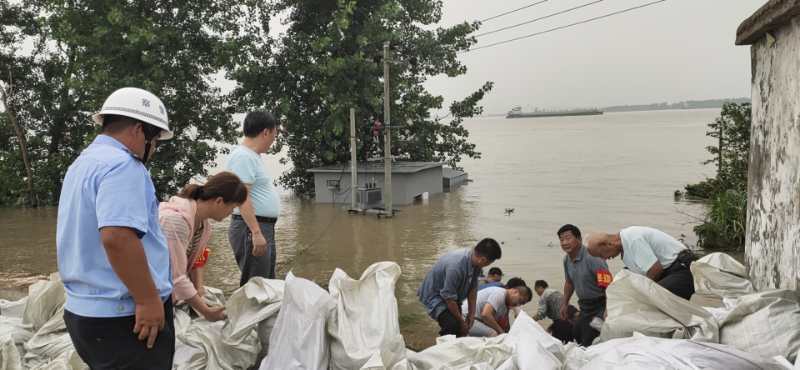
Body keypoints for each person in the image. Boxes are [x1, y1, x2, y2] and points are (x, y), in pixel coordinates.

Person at [57, 87, 175, 369]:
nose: (154, 149)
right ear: (138, 130)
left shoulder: (82, 164)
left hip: (83, 312)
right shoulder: (123, 166)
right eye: (155, 140)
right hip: (125, 315)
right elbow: (118, 238)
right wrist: (147, 300)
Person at [160, 172, 248, 322]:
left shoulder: (203, 225)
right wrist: (206, 312)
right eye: (232, 208)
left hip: (167, 293)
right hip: (148, 296)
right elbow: (176, 276)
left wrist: (198, 289)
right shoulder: (175, 221)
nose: (230, 214)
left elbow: (194, 263)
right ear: (219, 201)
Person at [227, 111, 282, 285]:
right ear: (266, 132)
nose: (273, 141)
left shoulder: (252, 157)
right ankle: (249, 313)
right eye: (274, 136)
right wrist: (256, 233)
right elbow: (242, 198)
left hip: (261, 227)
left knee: (267, 285)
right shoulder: (243, 156)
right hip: (250, 228)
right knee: (257, 286)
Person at [417, 238, 502, 337]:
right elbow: (448, 298)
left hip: (453, 294)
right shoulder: (456, 266)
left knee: (463, 330)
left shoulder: (476, 264)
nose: (487, 265)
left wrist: (471, 316)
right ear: (482, 259)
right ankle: (443, 349)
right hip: (435, 295)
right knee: (452, 325)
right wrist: (461, 322)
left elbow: (473, 290)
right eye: (489, 263)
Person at [587, 226, 695, 300]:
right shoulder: (625, 252)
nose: (605, 259)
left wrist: (641, 295)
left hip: (683, 269)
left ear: (608, 244)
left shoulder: (632, 239)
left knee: (650, 300)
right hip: (669, 273)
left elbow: (655, 270)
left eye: (602, 255)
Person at [558, 224, 613, 347]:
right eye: (561, 240)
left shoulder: (593, 258)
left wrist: (607, 311)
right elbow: (569, 282)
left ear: (579, 239)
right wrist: (565, 303)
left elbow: (609, 285)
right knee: (577, 332)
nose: (564, 242)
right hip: (584, 306)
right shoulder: (566, 260)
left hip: (600, 304)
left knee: (589, 338)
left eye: (568, 238)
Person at [462, 285, 532, 337]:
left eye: (521, 304)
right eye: (519, 300)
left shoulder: (506, 304)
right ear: (514, 291)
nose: (517, 304)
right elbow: (486, 315)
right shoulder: (500, 293)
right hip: (466, 318)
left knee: (499, 334)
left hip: (474, 320)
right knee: (494, 334)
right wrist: (501, 332)